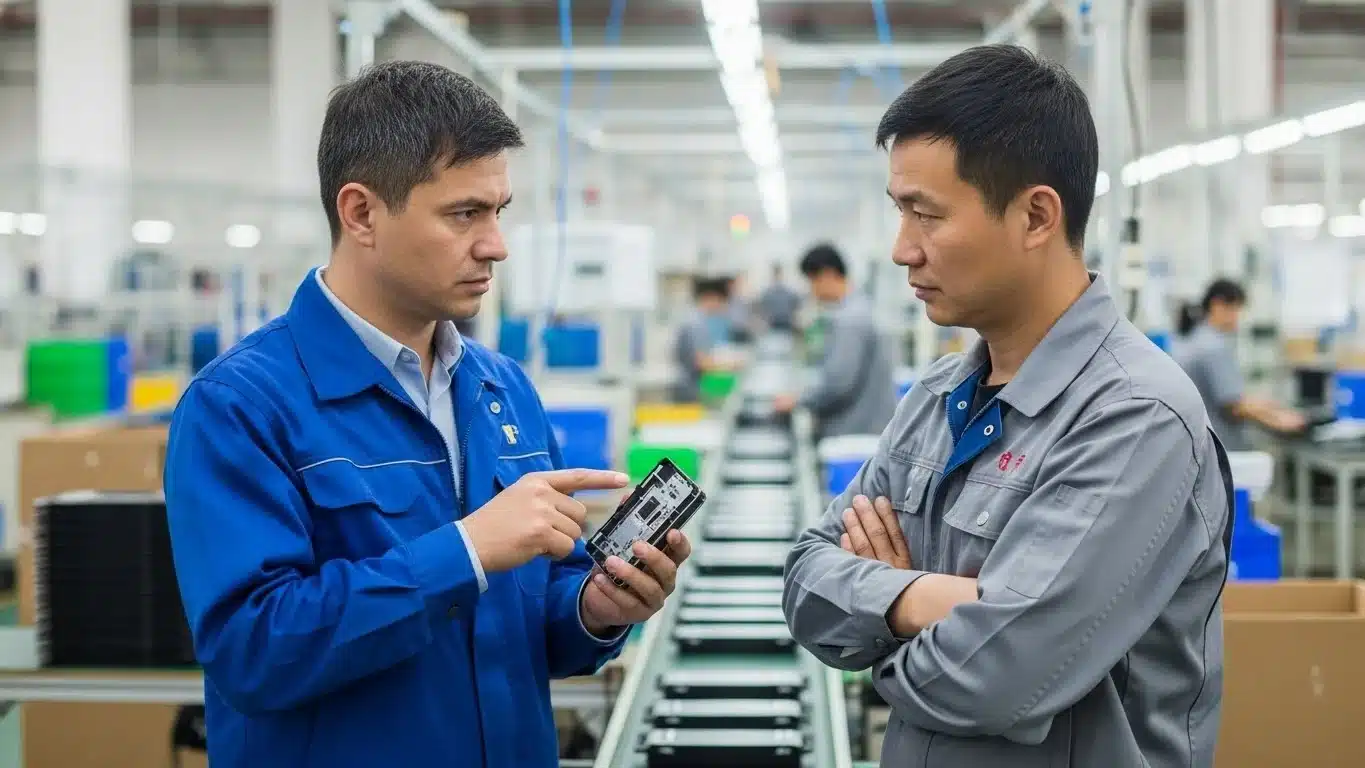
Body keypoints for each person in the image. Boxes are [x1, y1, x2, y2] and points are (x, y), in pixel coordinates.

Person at [163, 61, 690, 768]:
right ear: (361, 214)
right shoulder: (242, 405)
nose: (495, 244)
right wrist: (466, 551)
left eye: (498, 211)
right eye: (463, 213)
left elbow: (533, 614)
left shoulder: (501, 389)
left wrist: (596, 609)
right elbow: (254, 652)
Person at [781, 45, 1232, 767]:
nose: (902, 251)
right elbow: (804, 581)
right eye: (900, 214)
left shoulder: (1136, 416)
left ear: (1034, 216)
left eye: (925, 216)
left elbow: (995, 678)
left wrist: (877, 637)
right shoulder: (933, 402)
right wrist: (928, 602)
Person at [773, 243, 897, 438]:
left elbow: (839, 383)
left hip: (855, 434)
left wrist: (798, 400)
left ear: (828, 275)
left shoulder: (849, 319)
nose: (812, 291)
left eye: (812, 282)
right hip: (867, 429)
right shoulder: (861, 308)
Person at [1173, 278, 1306, 449]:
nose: (1238, 318)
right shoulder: (1214, 347)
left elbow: (1229, 397)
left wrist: (1268, 406)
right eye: (1236, 310)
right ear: (1218, 305)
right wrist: (1279, 420)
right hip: (1221, 444)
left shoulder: (1195, 338)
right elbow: (1234, 407)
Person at [672, 276, 738, 402]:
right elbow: (702, 362)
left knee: (735, 389)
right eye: (722, 301)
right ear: (711, 297)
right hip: (691, 388)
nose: (723, 307)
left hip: (693, 382)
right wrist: (732, 364)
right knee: (734, 393)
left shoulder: (696, 318)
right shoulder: (695, 323)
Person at [757, 263, 802, 331]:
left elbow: (796, 304)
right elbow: (762, 307)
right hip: (774, 324)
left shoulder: (788, 291)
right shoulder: (768, 293)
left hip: (786, 324)